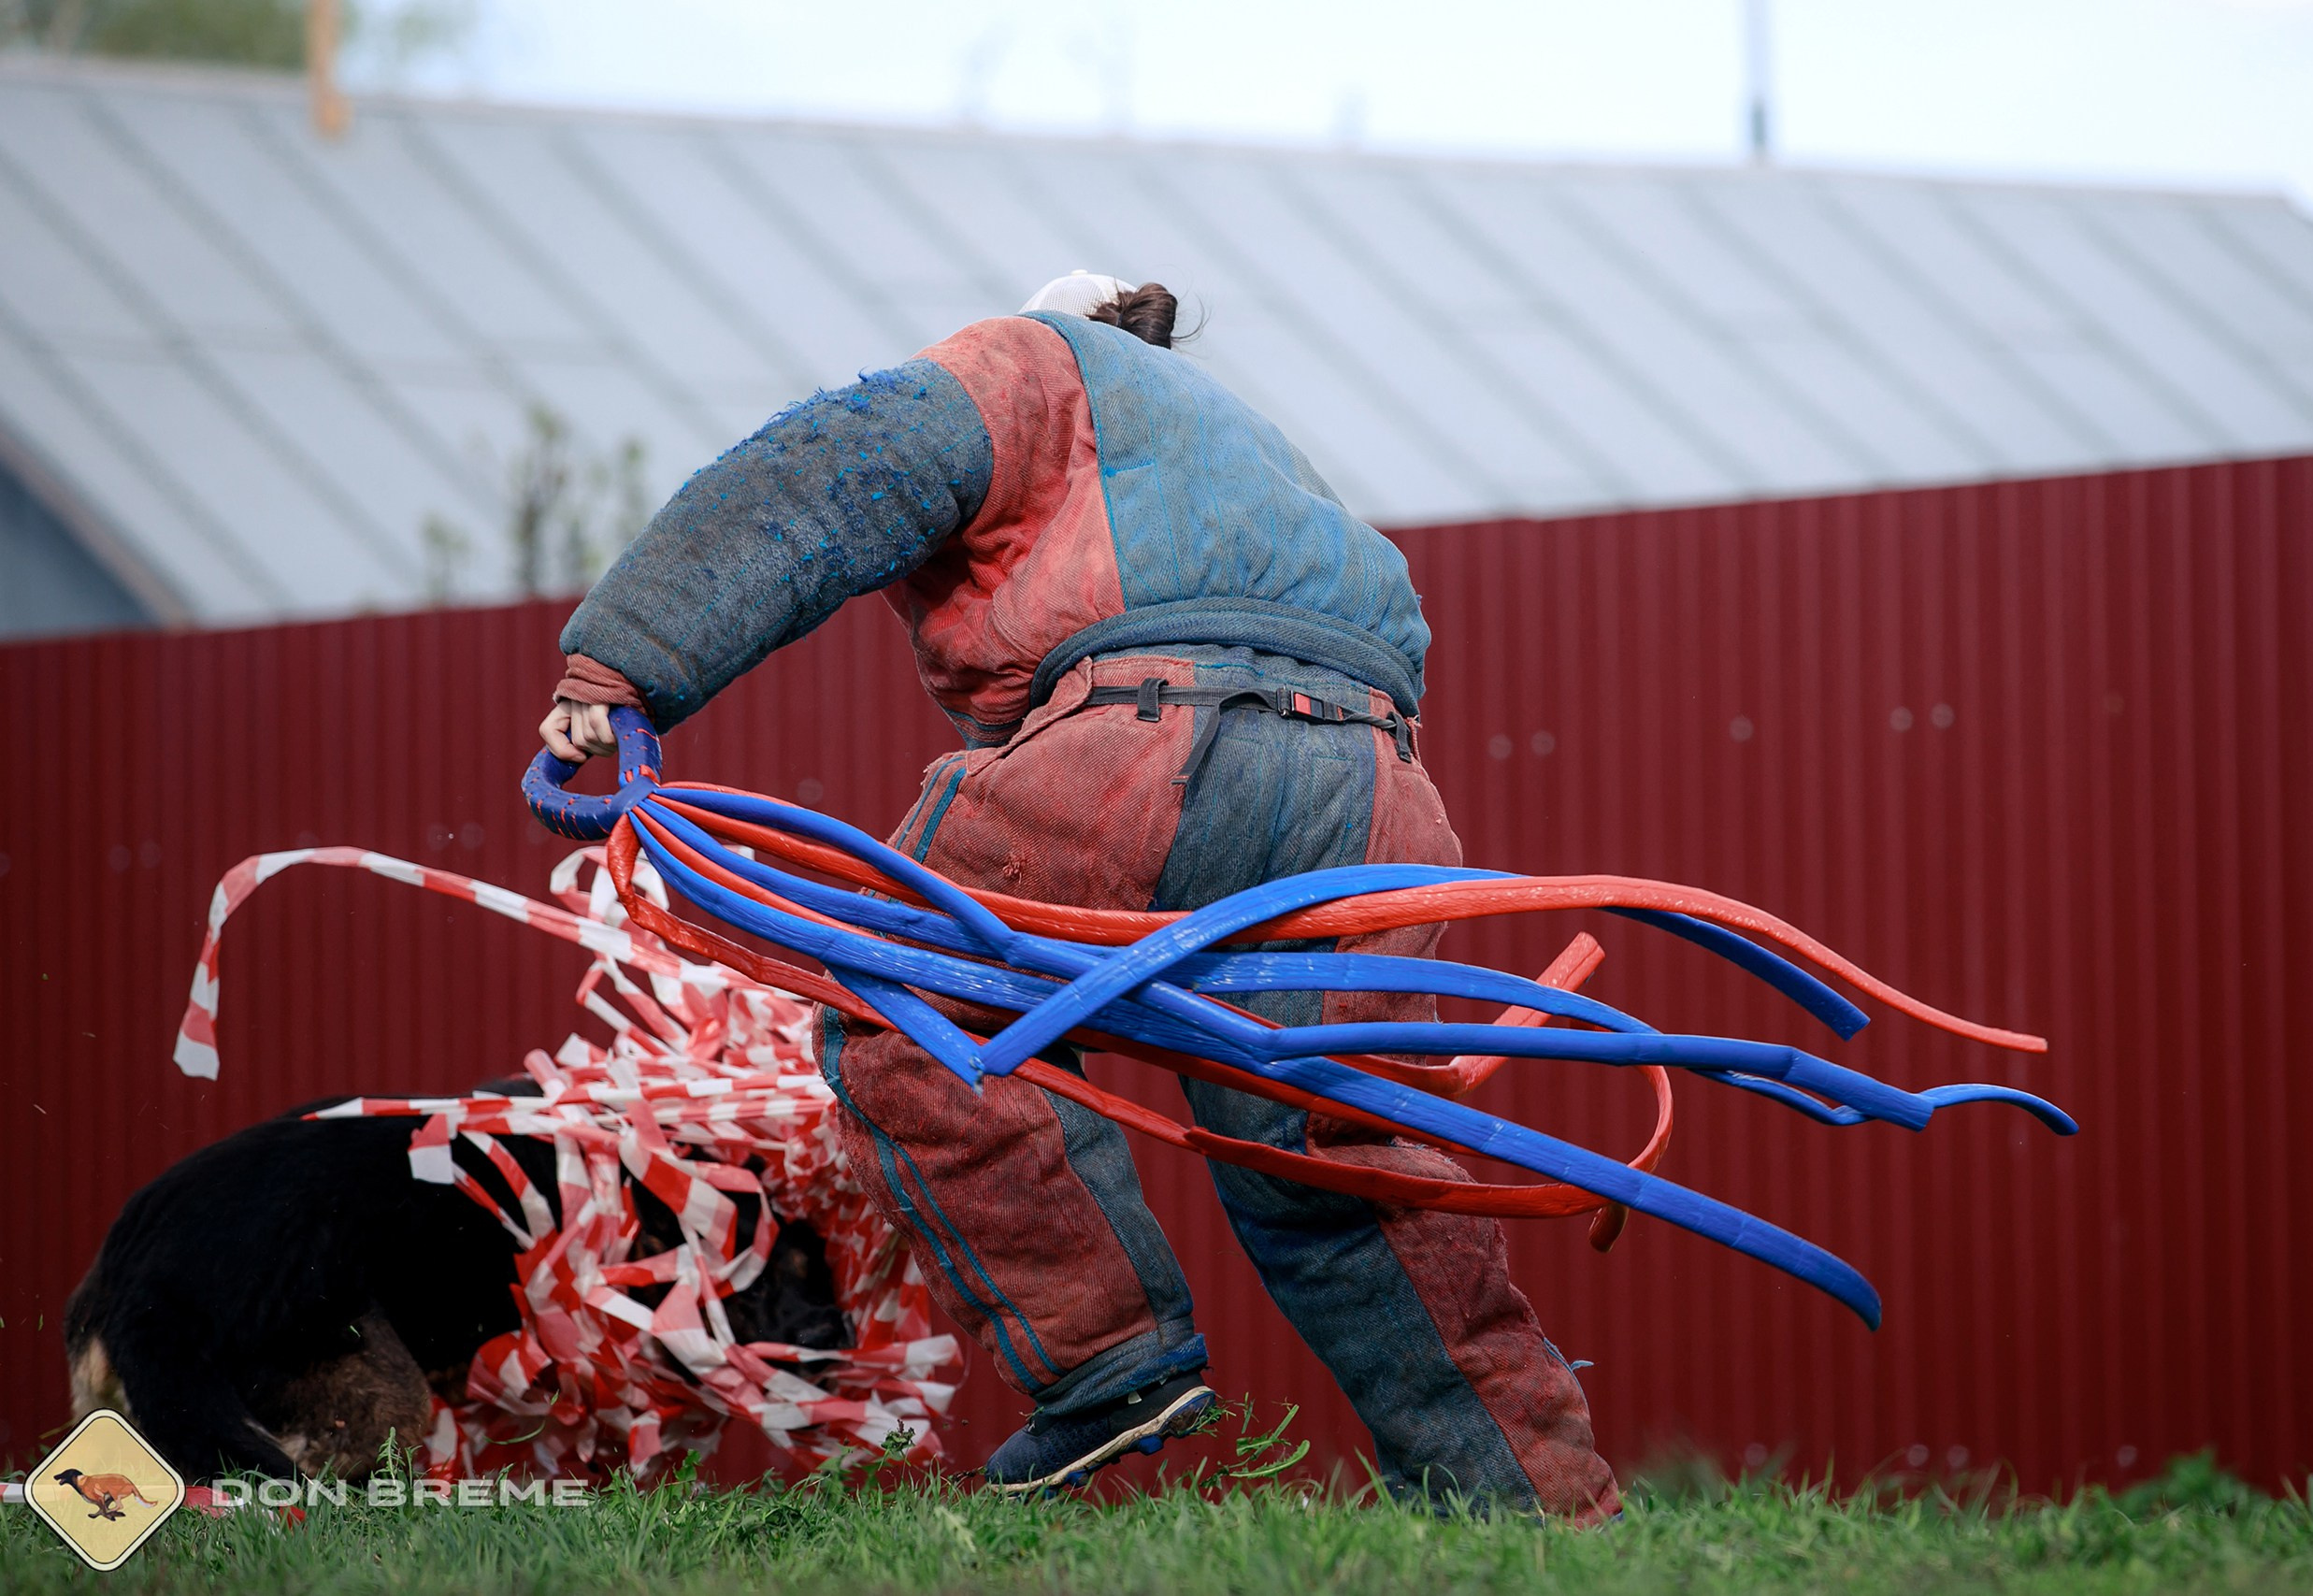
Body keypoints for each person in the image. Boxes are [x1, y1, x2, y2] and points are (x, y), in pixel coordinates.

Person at [538, 271, 1621, 1518]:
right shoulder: (1256, 452)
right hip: (1373, 788)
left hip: (1142, 743)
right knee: (1344, 1166)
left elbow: (821, 477)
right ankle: (1538, 1505)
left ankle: (1109, 1364)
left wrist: (620, 664)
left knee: (914, 1007)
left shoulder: (1026, 367)